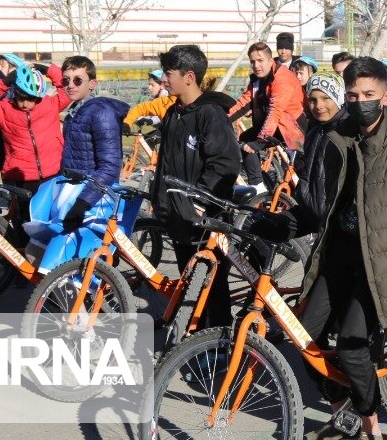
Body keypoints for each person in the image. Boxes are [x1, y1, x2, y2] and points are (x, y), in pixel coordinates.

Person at [247, 57, 387, 440]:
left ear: (385, 97)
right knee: (303, 336)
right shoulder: (338, 141)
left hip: (384, 265)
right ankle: (343, 414)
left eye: (369, 95)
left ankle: (372, 428)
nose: (360, 102)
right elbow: (321, 208)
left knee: (353, 345)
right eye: (353, 96)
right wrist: (276, 225)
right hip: (337, 254)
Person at [151, 45, 241, 329]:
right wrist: (161, 200)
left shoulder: (210, 114)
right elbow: (166, 164)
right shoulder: (174, 114)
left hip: (204, 218)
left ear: (189, 76)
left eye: (169, 73)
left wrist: (198, 204)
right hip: (178, 215)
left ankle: (219, 346)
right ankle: (193, 338)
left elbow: (225, 164)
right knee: (189, 281)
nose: (164, 80)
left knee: (212, 287)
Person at [0, 55, 69, 190]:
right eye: (21, 98)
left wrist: (47, 69)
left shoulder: (51, 104)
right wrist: (5, 82)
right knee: (23, 212)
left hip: (53, 174)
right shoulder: (4, 109)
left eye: (30, 99)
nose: (25, 104)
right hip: (19, 177)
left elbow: (66, 87)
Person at [55, 55, 130, 232]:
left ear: (92, 84)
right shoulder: (76, 112)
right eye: (66, 80)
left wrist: (82, 204)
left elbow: (110, 166)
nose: (70, 85)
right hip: (73, 192)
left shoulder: (101, 113)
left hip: (91, 199)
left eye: (78, 80)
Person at [228, 42, 306, 190]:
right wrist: (222, 119)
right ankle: (258, 186)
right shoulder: (258, 80)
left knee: (301, 173)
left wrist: (259, 142)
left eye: (260, 60)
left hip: (293, 129)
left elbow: (275, 111)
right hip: (274, 126)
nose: (256, 65)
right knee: (245, 139)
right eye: (252, 61)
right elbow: (243, 103)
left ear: (271, 61)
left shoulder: (282, 78)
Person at [296, 71, 347, 220]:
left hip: (339, 222)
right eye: (312, 99)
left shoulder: (348, 134)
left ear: (338, 97)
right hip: (315, 216)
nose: (318, 106)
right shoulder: (314, 132)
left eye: (326, 98)